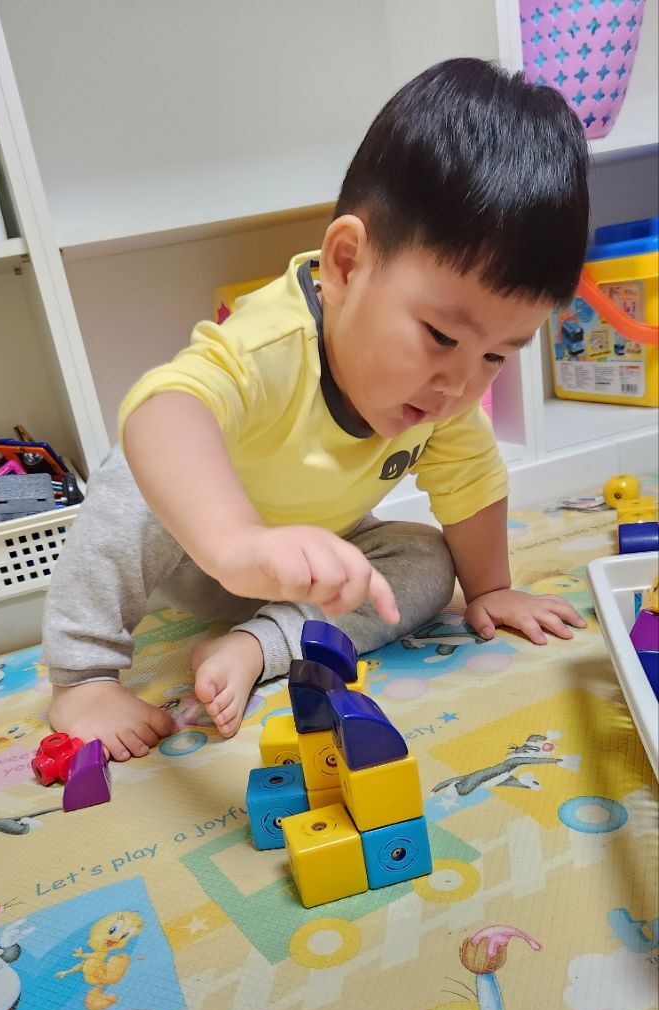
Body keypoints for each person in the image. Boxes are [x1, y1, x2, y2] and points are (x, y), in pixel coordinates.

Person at [43, 58, 589, 761]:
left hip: (310, 560)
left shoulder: (445, 396)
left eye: (495, 356)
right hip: (199, 546)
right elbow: (160, 411)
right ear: (346, 264)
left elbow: (472, 483)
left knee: (427, 561)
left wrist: (492, 589)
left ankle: (256, 645)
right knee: (133, 476)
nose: (458, 384)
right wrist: (238, 543)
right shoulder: (275, 344)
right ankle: (83, 673)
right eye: (441, 336)